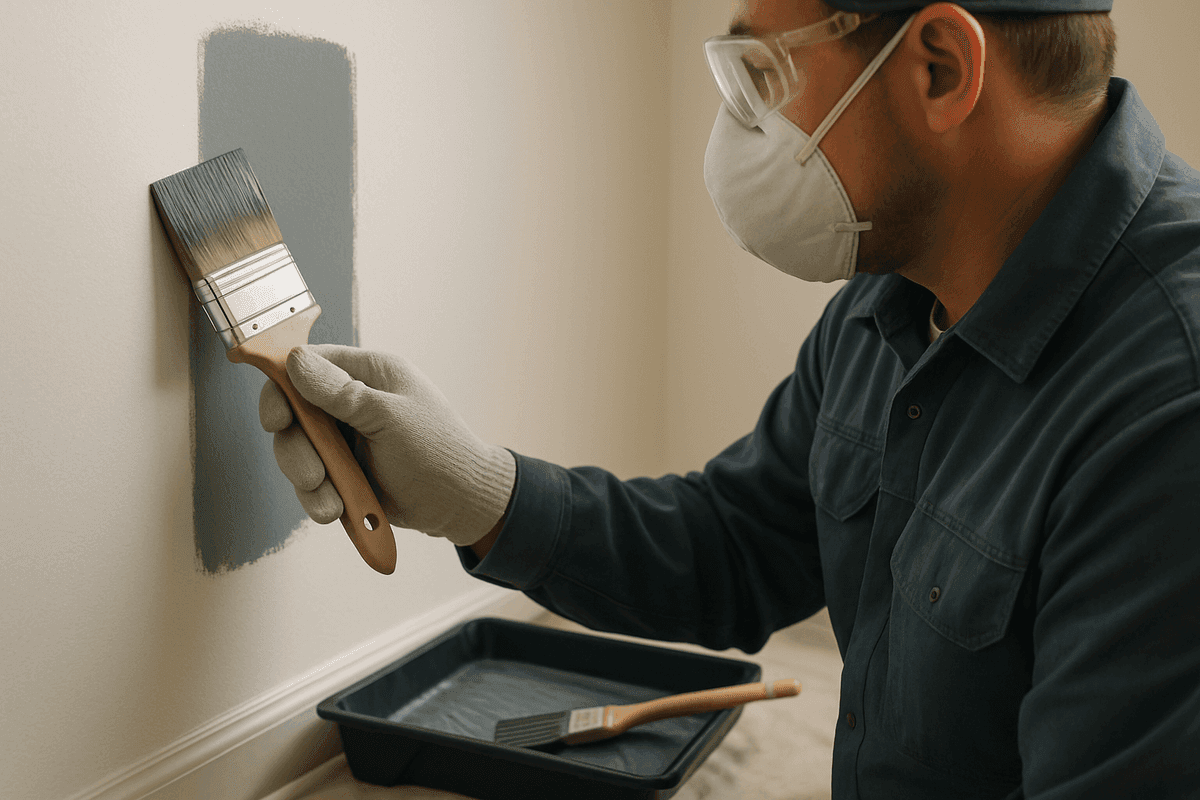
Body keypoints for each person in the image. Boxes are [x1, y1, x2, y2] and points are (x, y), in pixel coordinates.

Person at [259, 0, 1200, 796]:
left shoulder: (1165, 408)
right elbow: (739, 544)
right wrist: (482, 493)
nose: (738, 130)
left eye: (760, 73)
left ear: (941, 68)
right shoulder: (896, 296)